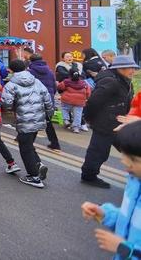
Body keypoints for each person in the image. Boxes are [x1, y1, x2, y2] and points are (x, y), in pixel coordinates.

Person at [81, 120, 141, 259]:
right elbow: (129, 218)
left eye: (133, 159)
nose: (125, 162)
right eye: (124, 155)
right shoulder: (134, 182)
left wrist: (126, 249)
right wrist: (104, 213)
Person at [81, 56, 139, 188]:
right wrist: (89, 118)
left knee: (130, 149)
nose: (132, 71)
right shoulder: (111, 81)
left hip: (118, 123)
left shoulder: (125, 80)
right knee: (99, 151)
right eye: (129, 68)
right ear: (119, 69)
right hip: (105, 123)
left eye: (133, 68)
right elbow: (94, 102)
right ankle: (89, 176)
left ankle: (135, 172)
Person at [1, 59, 54, 189]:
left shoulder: (11, 84)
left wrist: (12, 106)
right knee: (28, 144)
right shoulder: (36, 81)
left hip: (24, 119)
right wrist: (49, 114)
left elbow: (6, 104)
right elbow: (47, 98)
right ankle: (38, 165)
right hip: (39, 118)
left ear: (11, 70)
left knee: (25, 148)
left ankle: (34, 177)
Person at [28, 53, 62, 151]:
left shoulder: (30, 72)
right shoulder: (50, 71)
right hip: (48, 99)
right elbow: (54, 86)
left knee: (32, 120)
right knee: (47, 122)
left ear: (31, 61)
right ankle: (55, 144)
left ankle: (29, 143)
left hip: (35, 99)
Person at [57, 68, 91, 134]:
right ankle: (76, 128)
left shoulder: (66, 81)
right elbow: (88, 92)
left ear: (69, 74)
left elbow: (59, 87)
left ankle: (66, 120)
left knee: (64, 109)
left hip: (67, 100)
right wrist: (86, 98)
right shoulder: (84, 83)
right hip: (80, 101)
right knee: (78, 114)